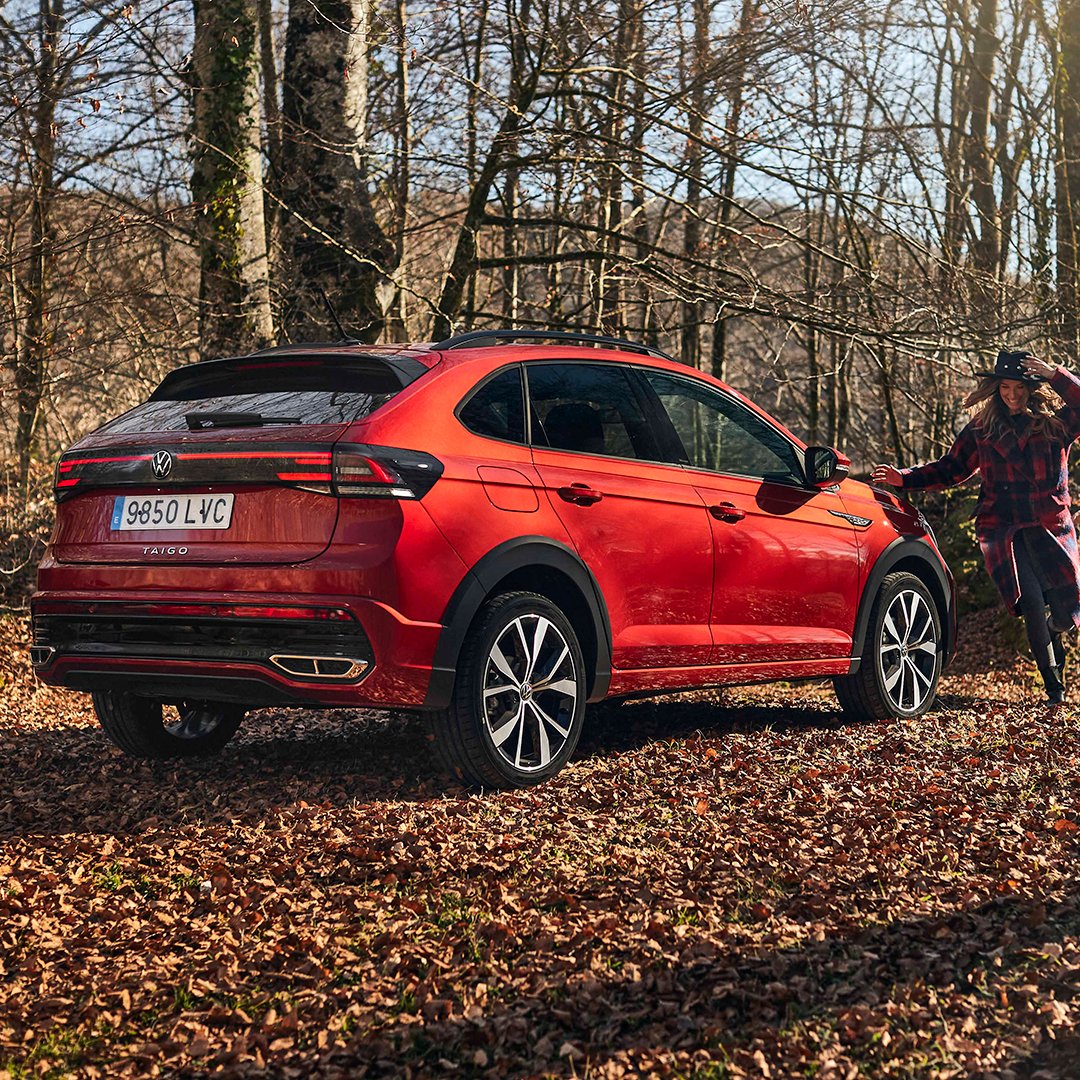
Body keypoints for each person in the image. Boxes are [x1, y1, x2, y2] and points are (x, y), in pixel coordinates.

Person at [871, 349, 1080, 706]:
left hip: (1050, 525)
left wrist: (1054, 374)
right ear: (995, 388)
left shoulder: (1057, 424)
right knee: (1029, 601)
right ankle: (1054, 691)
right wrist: (903, 478)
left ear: (1033, 388)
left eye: (1019, 388)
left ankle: (1055, 629)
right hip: (1004, 528)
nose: (1011, 395)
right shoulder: (982, 429)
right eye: (1004, 388)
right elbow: (950, 468)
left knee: (1066, 608)